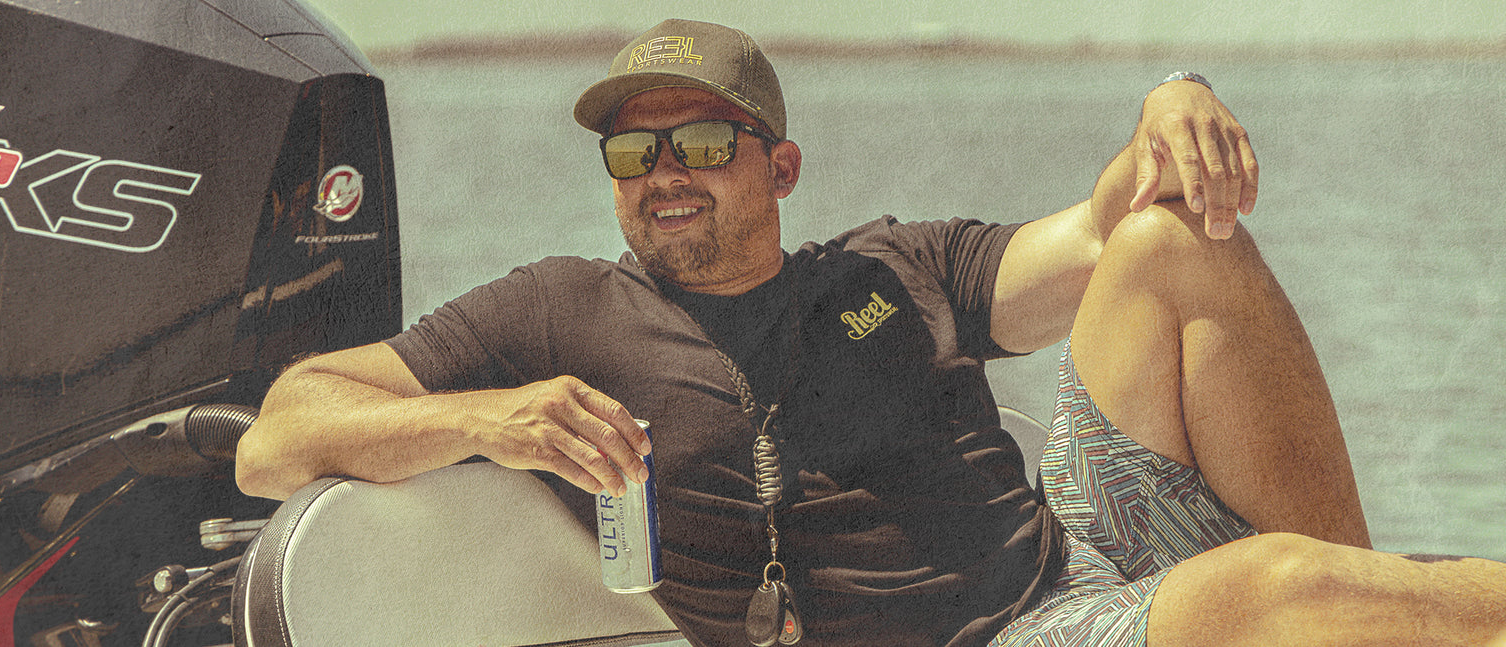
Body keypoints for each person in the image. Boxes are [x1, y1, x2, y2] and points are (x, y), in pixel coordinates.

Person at [235, 18, 1506, 647]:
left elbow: (1123, 210)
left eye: (702, 142)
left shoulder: (896, 267)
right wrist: (479, 417)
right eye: (632, 146)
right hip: (1004, 636)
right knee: (1280, 593)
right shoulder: (557, 311)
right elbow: (278, 435)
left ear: (779, 165)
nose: (662, 170)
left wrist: (1176, 93)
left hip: (1068, 548)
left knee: (1179, 238)